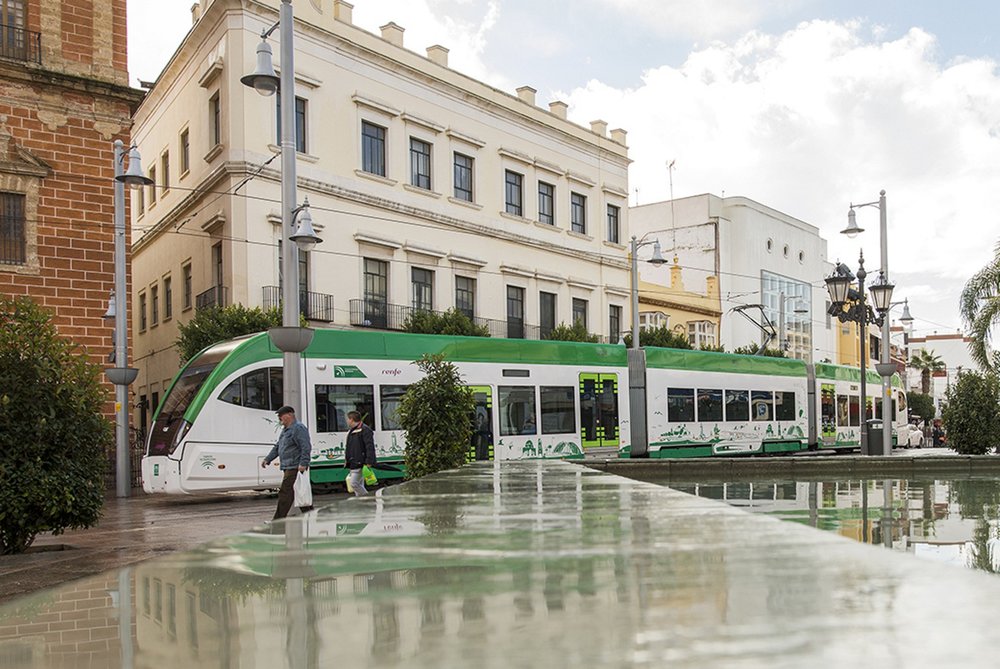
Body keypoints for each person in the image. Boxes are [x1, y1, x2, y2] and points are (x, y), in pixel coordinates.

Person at [262, 405, 313, 520]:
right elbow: (278, 446)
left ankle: (277, 520)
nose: (279, 418)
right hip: (288, 466)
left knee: (285, 494)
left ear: (290, 415)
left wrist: (303, 463)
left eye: (281, 415)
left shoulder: (298, 428)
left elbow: (306, 447)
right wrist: (268, 459)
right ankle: (312, 517)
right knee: (299, 493)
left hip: (295, 466)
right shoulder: (285, 430)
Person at [345, 411, 377, 497]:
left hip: (360, 462)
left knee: (354, 484)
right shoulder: (352, 431)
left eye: (347, 419)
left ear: (351, 419)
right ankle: (361, 503)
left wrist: (369, 461)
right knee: (359, 484)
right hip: (353, 462)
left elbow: (369, 447)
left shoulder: (365, 430)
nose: (347, 421)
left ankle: (367, 498)